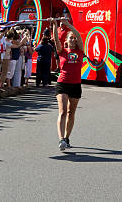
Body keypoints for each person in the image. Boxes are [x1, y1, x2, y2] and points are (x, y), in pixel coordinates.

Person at [52, 18, 85, 151]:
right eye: (70, 38)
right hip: (63, 84)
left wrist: (67, 25)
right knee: (63, 111)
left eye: (73, 39)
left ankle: (66, 138)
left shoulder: (80, 51)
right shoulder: (62, 51)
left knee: (71, 113)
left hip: (76, 84)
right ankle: (61, 139)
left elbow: (78, 35)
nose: (72, 40)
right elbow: (56, 40)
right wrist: (55, 25)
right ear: (66, 41)